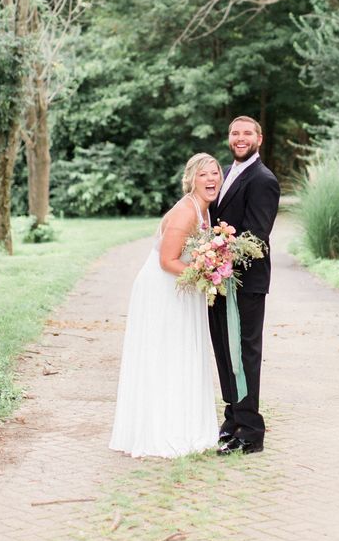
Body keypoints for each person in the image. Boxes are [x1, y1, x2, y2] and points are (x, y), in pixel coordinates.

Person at [110, 153, 222, 458]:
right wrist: (205, 274)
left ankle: (184, 424)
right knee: (166, 354)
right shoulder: (187, 212)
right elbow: (166, 260)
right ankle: (161, 430)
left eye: (215, 173)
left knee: (182, 352)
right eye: (204, 175)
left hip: (182, 288)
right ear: (191, 180)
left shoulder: (205, 210)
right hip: (163, 290)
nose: (211, 179)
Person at [209, 116, 280, 455]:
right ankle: (232, 417)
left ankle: (251, 431)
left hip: (245, 282)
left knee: (245, 353)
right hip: (219, 280)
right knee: (224, 350)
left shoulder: (263, 179)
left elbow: (255, 236)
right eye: (235, 133)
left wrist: (215, 254)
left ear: (259, 139)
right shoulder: (225, 173)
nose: (240, 138)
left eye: (247, 133)